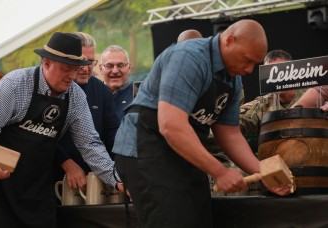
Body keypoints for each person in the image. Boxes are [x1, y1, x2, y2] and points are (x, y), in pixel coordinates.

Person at [112, 19, 291, 228]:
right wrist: (220, 172)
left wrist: (264, 172)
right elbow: (171, 125)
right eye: (247, 60)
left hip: (181, 151)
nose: (250, 69)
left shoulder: (233, 80)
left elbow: (230, 134)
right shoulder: (189, 57)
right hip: (144, 148)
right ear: (230, 40)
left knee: (200, 219)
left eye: (255, 63)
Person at [0, 32, 123, 228]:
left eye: (75, 70)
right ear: (47, 63)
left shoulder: (75, 97)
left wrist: (117, 179)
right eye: (66, 69)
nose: (72, 77)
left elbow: (90, 145)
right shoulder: (15, 84)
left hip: (38, 188)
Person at [54, 32, 120, 188]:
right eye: (81, 61)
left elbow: (112, 134)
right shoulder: (54, 88)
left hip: (93, 177)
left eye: (90, 62)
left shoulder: (102, 91)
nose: (85, 68)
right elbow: (44, 135)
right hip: (53, 175)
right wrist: (66, 162)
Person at [240, 49, 306, 154]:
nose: (277, 77)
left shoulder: (312, 96)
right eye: (270, 72)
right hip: (273, 161)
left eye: (281, 71)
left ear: (293, 71)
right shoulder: (262, 103)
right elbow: (234, 121)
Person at [99, 45, 134, 120]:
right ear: (101, 69)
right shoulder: (90, 95)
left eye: (120, 65)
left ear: (129, 68)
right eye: (110, 66)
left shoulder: (140, 95)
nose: (115, 71)